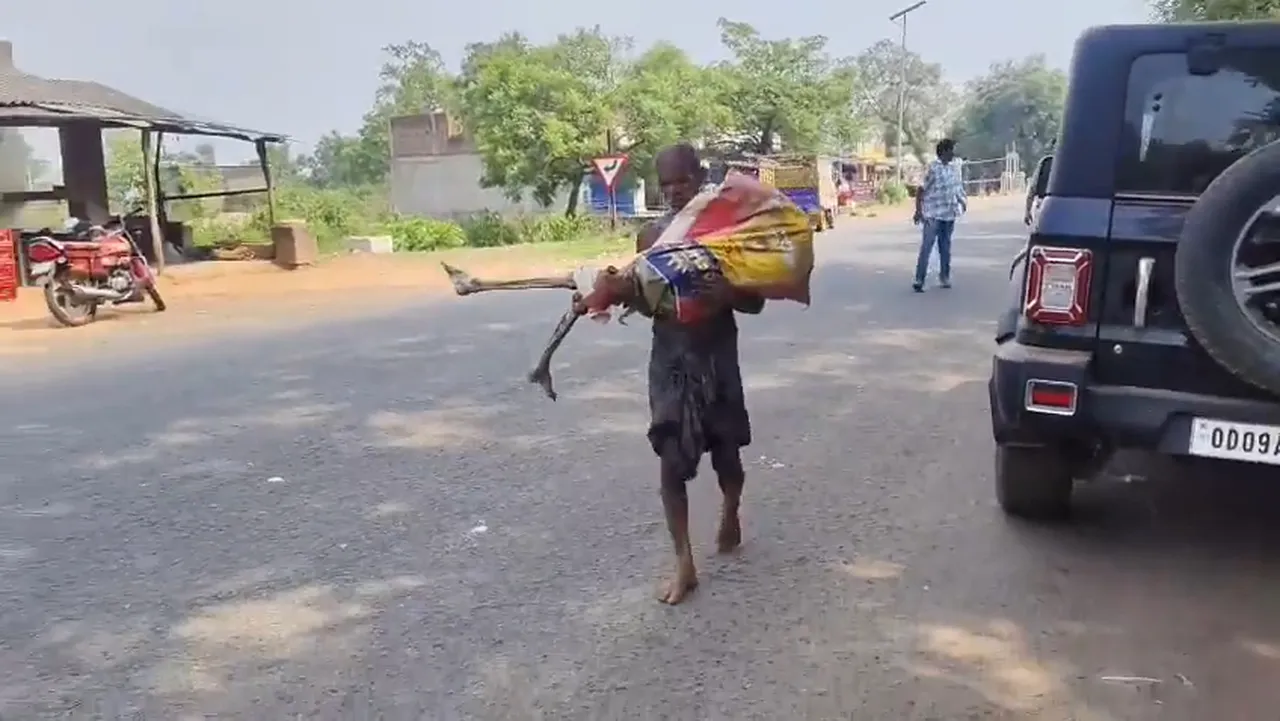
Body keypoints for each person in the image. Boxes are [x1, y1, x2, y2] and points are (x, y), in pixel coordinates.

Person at [579, 143, 763, 605]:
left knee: (727, 456)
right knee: (669, 463)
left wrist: (727, 293)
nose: (676, 190)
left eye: (683, 180)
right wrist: (605, 295)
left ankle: (731, 508)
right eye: (667, 184)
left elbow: (756, 301)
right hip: (671, 361)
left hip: (717, 355)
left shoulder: (725, 232)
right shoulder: (652, 237)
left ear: (701, 178)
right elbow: (647, 300)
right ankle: (684, 563)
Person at [912, 138, 967, 292]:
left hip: (949, 214)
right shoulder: (932, 168)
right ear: (944, 152)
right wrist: (918, 211)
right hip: (932, 214)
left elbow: (957, 188)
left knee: (945, 247)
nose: (953, 154)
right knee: (927, 247)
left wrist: (962, 203)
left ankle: (944, 277)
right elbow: (921, 189)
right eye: (951, 150)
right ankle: (919, 279)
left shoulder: (954, 168)